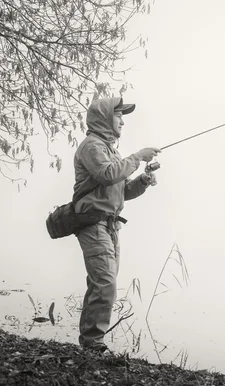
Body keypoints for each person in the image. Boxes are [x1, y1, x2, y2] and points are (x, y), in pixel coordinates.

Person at [72, 96, 160, 353]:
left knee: (100, 283)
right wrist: (138, 156)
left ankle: (90, 342)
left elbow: (121, 192)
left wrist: (142, 181)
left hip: (110, 226)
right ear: (103, 118)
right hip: (93, 224)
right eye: (118, 115)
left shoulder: (111, 151)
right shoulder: (92, 147)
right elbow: (109, 174)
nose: (122, 120)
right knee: (106, 283)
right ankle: (93, 342)